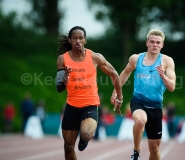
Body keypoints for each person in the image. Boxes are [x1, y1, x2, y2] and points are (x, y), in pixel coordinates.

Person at [55, 26, 123, 160]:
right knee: (68, 147)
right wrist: (63, 80)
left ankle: (84, 139)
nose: (77, 41)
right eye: (74, 38)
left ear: (85, 40)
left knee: (86, 134)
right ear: (69, 40)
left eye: (80, 38)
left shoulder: (95, 57)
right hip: (71, 106)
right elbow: (59, 88)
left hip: (90, 105)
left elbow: (114, 74)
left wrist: (119, 96)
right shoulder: (62, 60)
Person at [111, 29, 176, 160]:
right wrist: (116, 92)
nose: (155, 45)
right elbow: (124, 74)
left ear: (162, 45)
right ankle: (136, 152)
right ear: (147, 43)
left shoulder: (167, 61)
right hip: (138, 102)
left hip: (156, 107)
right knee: (140, 121)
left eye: (158, 42)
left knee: (154, 149)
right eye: (152, 42)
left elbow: (172, 87)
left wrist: (164, 77)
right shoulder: (136, 58)